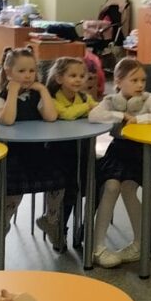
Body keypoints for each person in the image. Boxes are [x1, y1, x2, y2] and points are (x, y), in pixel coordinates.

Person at [87, 58, 151, 267]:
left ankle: (140, 244)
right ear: (118, 81)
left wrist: (139, 119)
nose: (140, 85)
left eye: (143, 80)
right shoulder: (112, 100)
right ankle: (98, 247)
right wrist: (120, 115)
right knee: (111, 186)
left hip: (143, 152)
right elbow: (94, 115)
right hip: (119, 151)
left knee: (128, 188)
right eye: (134, 80)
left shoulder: (148, 99)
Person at [0, 47, 64, 248]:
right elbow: (8, 120)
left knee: (58, 182)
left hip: (37, 152)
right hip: (11, 156)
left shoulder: (36, 95)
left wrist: (43, 90)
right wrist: (12, 91)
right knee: (13, 193)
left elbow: (51, 117)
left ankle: (50, 220)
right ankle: (0, 228)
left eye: (31, 71)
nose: (28, 76)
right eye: (21, 71)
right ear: (8, 71)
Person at [44, 56, 99, 246]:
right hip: (59, 154)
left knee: (95, 184)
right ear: (59, 78)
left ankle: (83, 226)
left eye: (82, 76)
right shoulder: (52, 98)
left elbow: (97, 111)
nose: (78, 80)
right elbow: (66, 114)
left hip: (83, 152)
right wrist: (86, 108)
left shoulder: (83, 97)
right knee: (70, 189)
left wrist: (88, 107)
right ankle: (60, 228)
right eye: (72, 76)